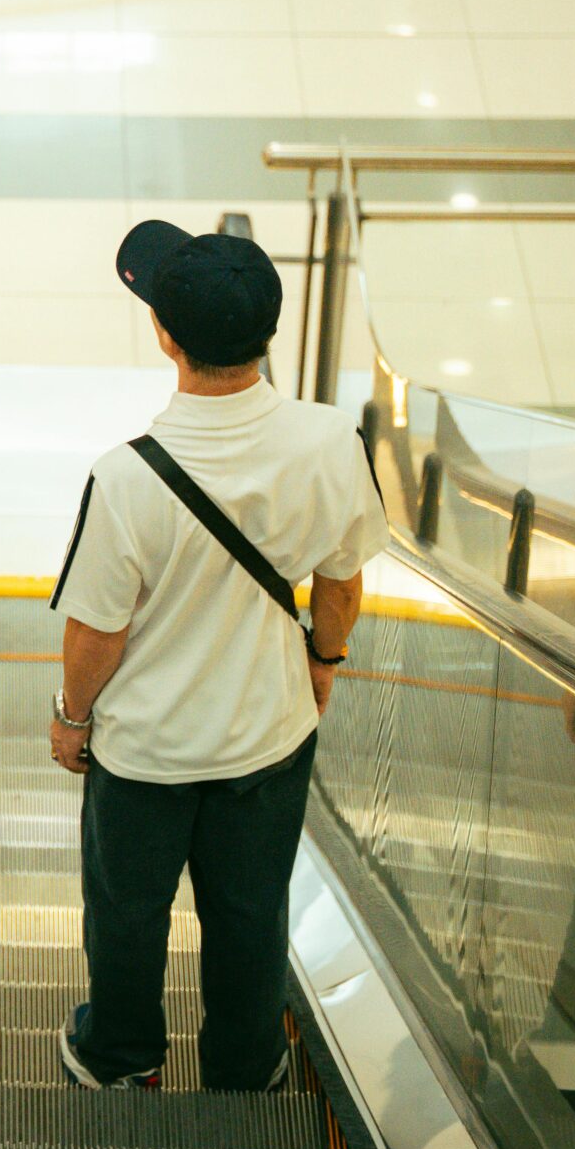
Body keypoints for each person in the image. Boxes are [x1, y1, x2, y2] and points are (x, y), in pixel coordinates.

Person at [47, 220, 386, 1092]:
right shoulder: (330, 443)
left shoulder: (126, 478)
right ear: (268, 332)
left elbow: (96, 635)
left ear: (166, 336)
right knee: (250, 912)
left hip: (146, 754)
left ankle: (121, 1056)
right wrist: (323, 661)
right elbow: (339, 583)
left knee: (127, 913)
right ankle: (246, 1060)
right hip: (268, 738)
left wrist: (72, 718)